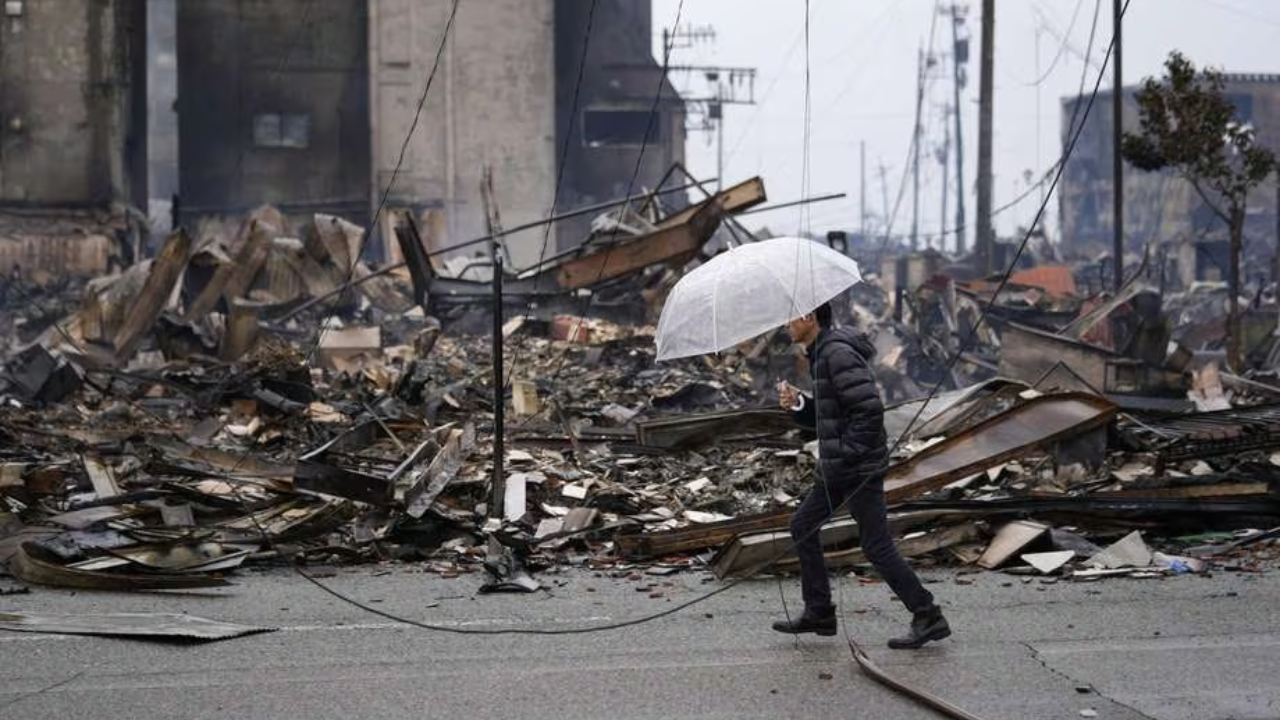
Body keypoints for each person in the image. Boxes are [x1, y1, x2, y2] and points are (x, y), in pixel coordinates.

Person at [772, 302, 950, 649]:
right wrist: (798, 404)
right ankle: (819, 611)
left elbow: (869, 412)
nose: (785, 324)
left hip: (857, 468)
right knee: (802, 526)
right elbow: (828, 418)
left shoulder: (837, 354)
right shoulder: (821, 354)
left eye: (790, 315)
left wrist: (848, 456)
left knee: (876, 546)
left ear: (809, 318)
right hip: (841, 468)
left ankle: (928, 615)